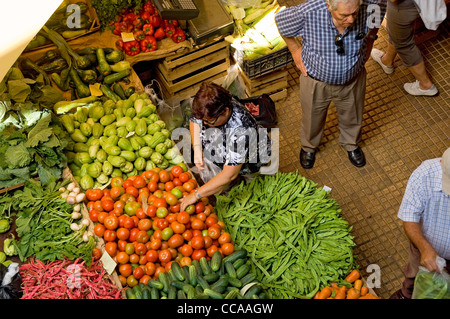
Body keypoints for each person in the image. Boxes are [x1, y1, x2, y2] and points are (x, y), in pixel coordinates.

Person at [275, 0, 386, 169]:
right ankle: (309, 146)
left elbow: (377, 16)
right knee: (312, 116)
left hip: (353, 79)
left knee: (353, 113)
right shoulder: (309, 11)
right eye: (344, 15)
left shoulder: (372, 3)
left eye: (354, 13)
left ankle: (351, 143)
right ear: (328, 6)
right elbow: (281, 20)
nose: (350, 20)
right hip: (315, 81)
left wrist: (370, 39)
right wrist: (295, 50)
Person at [179, 82, 273, 211]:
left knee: (256, 194)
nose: (205, 124)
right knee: (229, 192)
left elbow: (229, 174)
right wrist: (197, 148)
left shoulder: (240, 128)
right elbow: (195, 120)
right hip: (223, 154)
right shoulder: (212, 104)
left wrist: (196, 195)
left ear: (225, 111)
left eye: (208, 122)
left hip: (252, 162)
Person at [391, 147, 450, 299]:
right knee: (413, 275)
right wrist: (425, 248)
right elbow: (409, 216)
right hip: (423, 246)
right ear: (442, 163)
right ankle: (406, 294)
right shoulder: (425, 174)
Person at [371, 0, 439, 96]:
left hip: (403, 6)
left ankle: (426, 85)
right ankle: (387, 61)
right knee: (397, 32)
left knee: (404, 45)